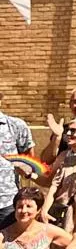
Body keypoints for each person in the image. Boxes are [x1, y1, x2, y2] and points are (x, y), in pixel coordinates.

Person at [0, 87, 35, 228]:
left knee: (9, 247)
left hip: (7, 202)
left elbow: (30, 162)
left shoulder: (15, 126)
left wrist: (27, 170)